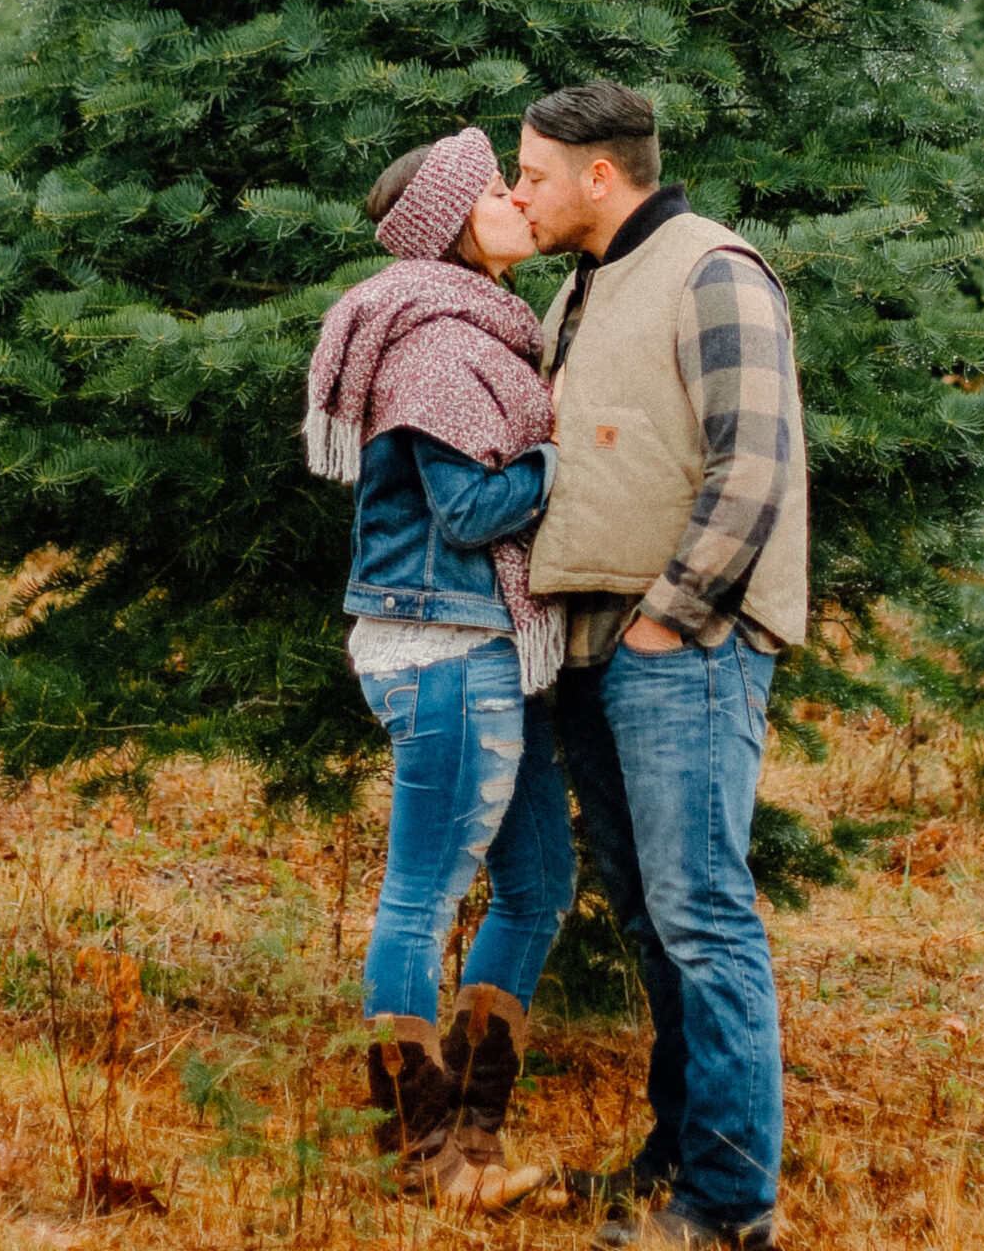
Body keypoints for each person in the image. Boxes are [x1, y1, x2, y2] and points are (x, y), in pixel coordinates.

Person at [511, 82, 808, 1251]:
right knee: (649, 916)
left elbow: (755, 463)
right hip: (592, 650)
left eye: (533, 172)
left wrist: (668, 618)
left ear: (600, 172)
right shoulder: (578, 286)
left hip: (681, 650)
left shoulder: (711, 270)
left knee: (703, 914)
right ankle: (678, 1157)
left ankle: (732, 1204)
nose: (517, 191)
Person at [305, 124, 574, 1210]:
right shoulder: (431, 341)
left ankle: (473, 1133)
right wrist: (570, 459)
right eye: (500, 188)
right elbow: (466, 509)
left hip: (490, 643)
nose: (519, 196)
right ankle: (424, 1156)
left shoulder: (479, 327)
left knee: (539, 884)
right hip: (446, 644)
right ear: (458, 216)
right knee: (421, 894)